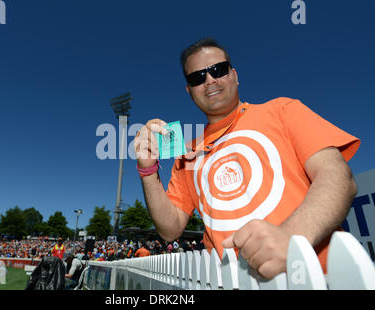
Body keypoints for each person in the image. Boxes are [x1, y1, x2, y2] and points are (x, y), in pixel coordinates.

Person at [133, 37, 359, 279]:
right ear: (189, 91)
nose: (210, 80)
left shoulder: (282, 111)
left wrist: (291, 237)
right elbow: (170, 229)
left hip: (318, 278)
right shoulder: (186, 154)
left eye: (218, 70)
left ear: (235, 75)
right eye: (197, 77)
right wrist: (148, 171)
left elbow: (337, 177)